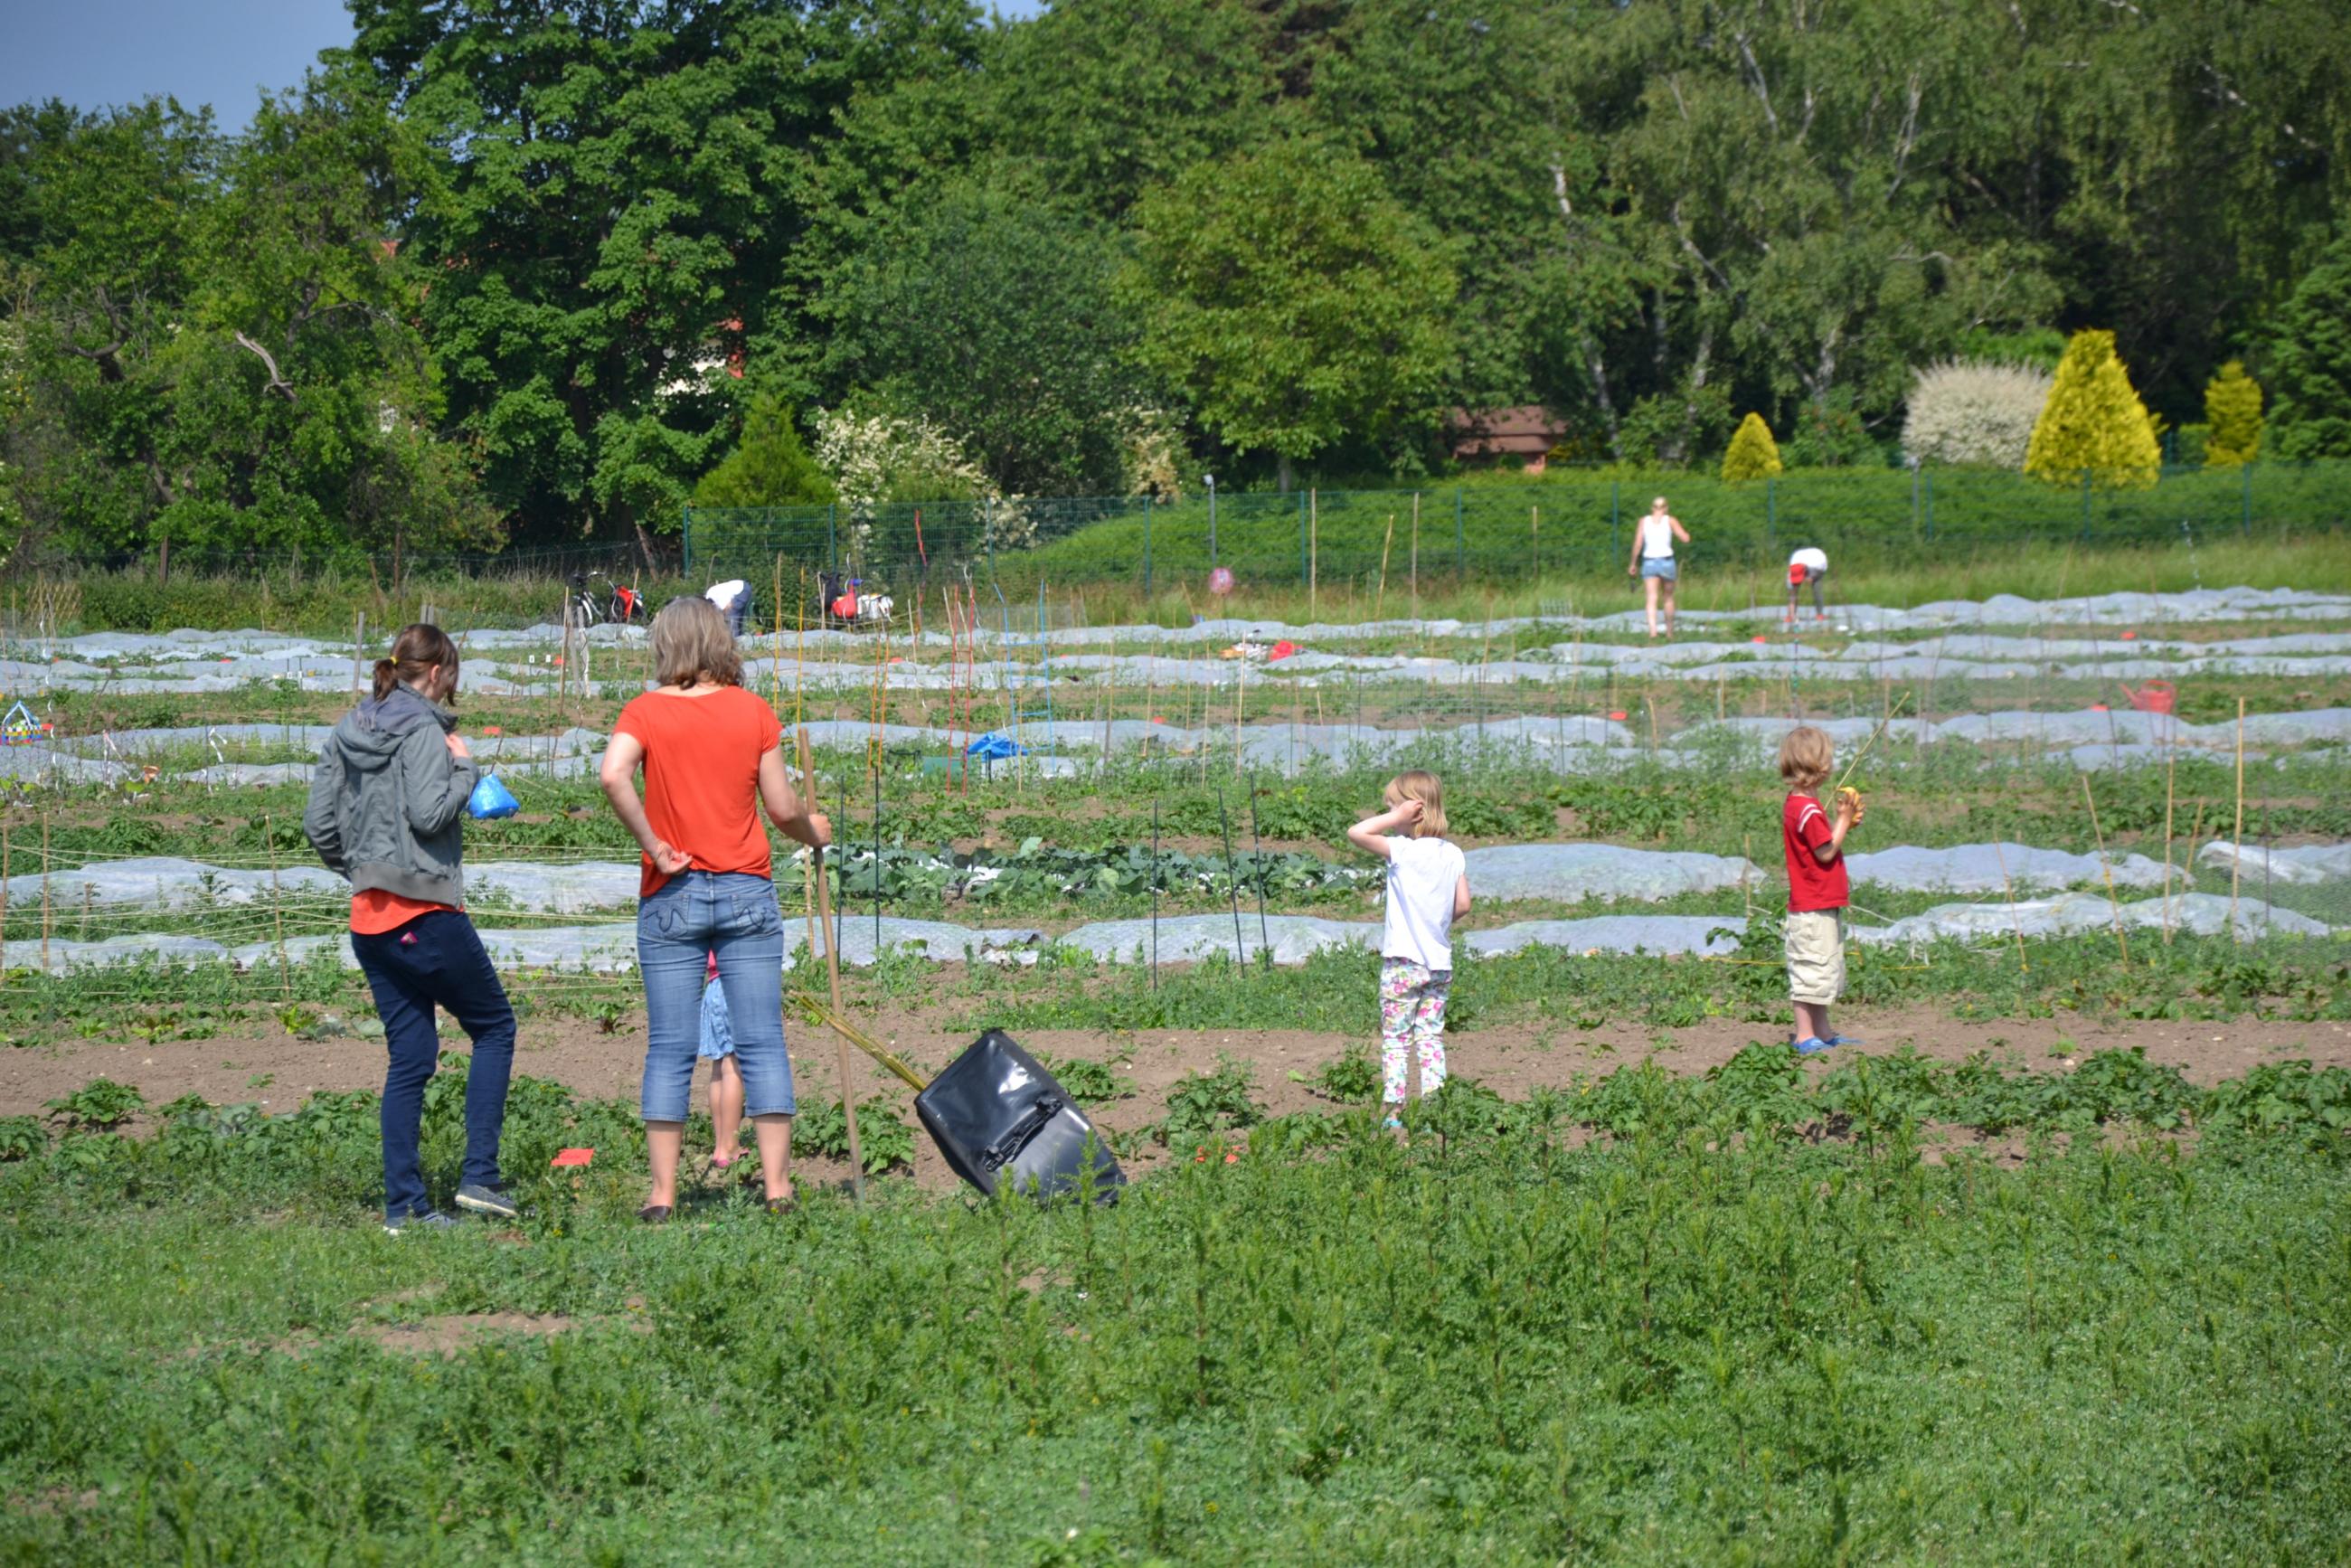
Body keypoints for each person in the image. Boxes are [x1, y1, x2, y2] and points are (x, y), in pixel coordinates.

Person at [599, 596, 830, 1222]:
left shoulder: (644, 711)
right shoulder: (753, 711)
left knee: (670, 1048)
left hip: (671, 892)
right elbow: (782, 810)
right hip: (745, 891)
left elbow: (613, 775)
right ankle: (778, 1189)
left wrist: (653, 844)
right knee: (761, 1042)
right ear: (721, 639)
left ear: (665, 644)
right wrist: (816, 832)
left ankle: (663, 1195)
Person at [303, 624, 520, 1233]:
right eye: (452, 674)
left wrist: (364, 871)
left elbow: (318, 823)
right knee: (495, 1027)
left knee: (412, 1057)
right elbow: (428, 814)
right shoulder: (425, 729)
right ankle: (480, 1176)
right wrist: (466, 771)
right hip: (423, 913)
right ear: (437, 673)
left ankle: (404, 1208)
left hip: (369, 919)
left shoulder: (350, 727)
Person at [1345, 771, 1471, 1129]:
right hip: (1439, 965)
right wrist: (1436, 923)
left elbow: (1357, 833)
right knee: (1430, 1036)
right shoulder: (1453, 854)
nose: (1388, 813)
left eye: (1392, 806)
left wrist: (1395, 820)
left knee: (1397, 1038)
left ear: (1410, 810)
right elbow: (1462, 905)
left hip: (1403, 963)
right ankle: (1435, 1110)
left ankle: (1394, 1111)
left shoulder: (1401, 849)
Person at [1778, 726, 1863, 1055]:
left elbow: (1819, 839)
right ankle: (1803, 1035)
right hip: (1812, 904)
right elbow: (1825, 851)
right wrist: (1842, 820)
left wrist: (1844, 825)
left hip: (1818, 902)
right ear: (1818, 765)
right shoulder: (1808, 809)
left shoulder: (1800, 803)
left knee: (1824, 966)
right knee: (1810, 967)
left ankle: (1823, 1031)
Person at [699, 951, 750, 1176]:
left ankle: (720, 1147)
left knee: (718, 1068)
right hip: (731, 984)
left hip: (712, 988)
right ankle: (731, 1146)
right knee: (733, 1066)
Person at [1626, 496, 1689, 638]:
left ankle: (1653, 633)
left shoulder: (1643, 521)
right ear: (1666, 508)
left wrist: (1633, 563)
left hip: (1649, 562)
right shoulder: (1670, 521)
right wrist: (1686, 535)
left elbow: (1638, 544)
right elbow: (1685, 538)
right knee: (1668, 598)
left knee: (1651, 598)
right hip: (1667, 562)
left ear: (1652, 508)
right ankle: (1669, 633)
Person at [1786, 547, 1829, 624]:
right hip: (1800, 565)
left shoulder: (1818, 563)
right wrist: (1792, 590)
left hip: (1817, 568)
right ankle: (1791, 615)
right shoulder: (1793, 564)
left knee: (1816, 587)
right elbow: (1791, 587)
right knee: (1793, 592)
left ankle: (1820, 614)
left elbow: (1822, 571)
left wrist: (1813, 577)